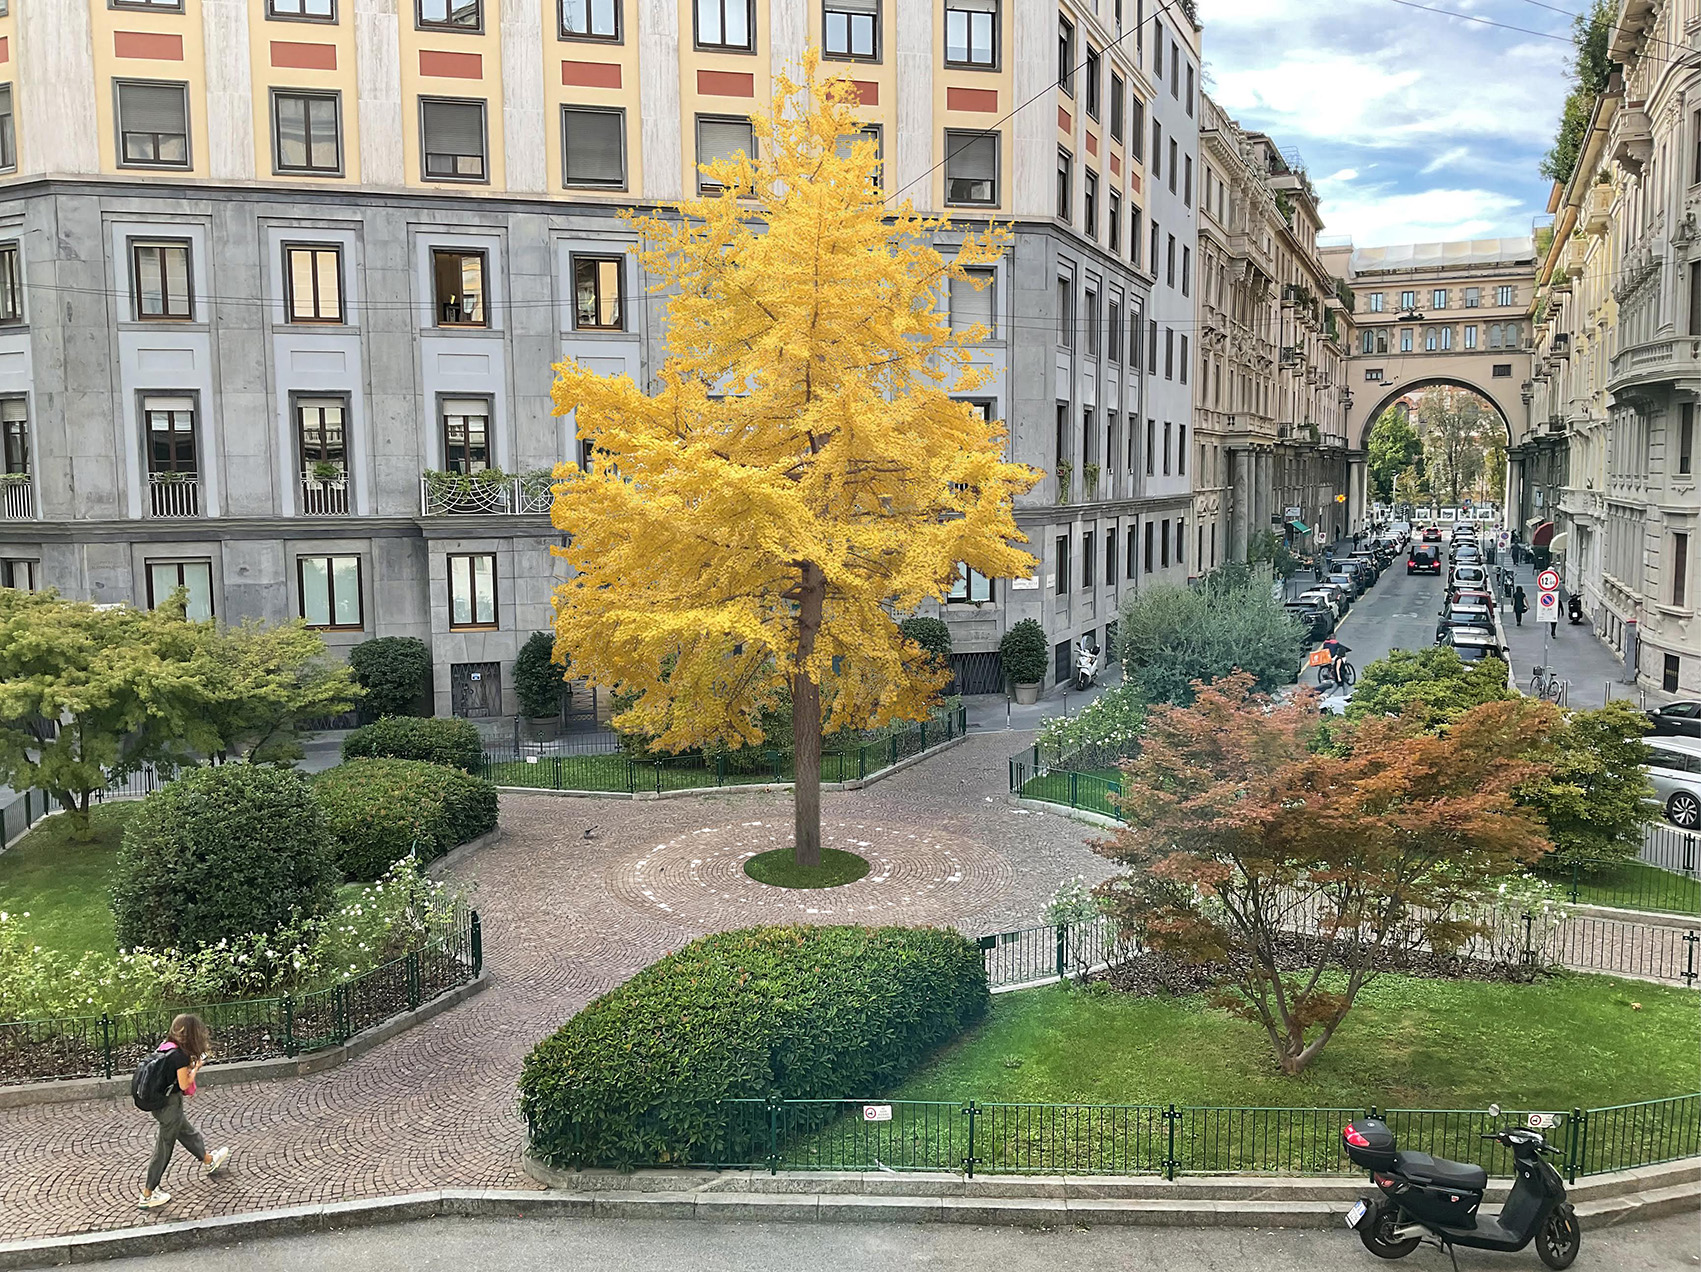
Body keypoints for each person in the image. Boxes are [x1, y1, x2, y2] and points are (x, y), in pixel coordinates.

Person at [138, 1013, 231, 1209]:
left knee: (187, 1133)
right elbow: (183, 1083)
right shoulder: (179, 1056)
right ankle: (148, 1193)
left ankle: (209, 1160)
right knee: (164, 1148)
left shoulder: (165, 1047)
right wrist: (196, 1068)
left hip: (160, 1104)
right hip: (170, 1106)